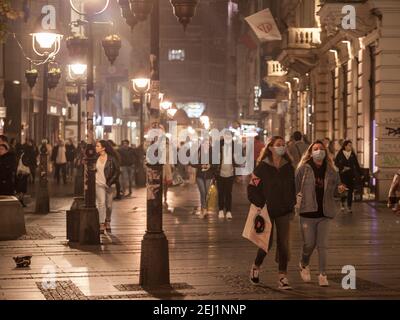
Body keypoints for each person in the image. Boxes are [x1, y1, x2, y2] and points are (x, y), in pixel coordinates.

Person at [296, 140, 347, 287]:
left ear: (325, 152)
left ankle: (322, 274)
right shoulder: (303, 169)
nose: (319, 151)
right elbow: (295, 189)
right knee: (309, 244)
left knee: (322, 245)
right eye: (316, 149)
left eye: (321, 148)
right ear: (311, 153)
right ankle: (304, 263)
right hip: (307, 213)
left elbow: (337, 192)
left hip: (325, 213)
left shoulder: (332, 170)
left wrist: (340, 190)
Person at [247, 136, 296, 290]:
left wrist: (292, 203)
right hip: (267, 210)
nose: (281, 147)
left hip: (284, 210)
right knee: (265, 244)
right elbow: (252, 188)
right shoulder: (262, 167)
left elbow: (293, 188)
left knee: (283, 244)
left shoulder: (288, 167)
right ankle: (256, 266)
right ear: (270, 148)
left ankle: (282, 276)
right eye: (278, 145)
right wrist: (260, 204)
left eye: (283, 145)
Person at [95, 140, 120, 234]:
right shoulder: (95, 158)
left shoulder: (111, 159)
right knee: (101, 203)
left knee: (109, 205)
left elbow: (117, 171)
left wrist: (109, 182)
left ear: (103, 148)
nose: (96, 148)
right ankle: (101, 224)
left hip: (109, 184)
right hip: (98, 184)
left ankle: (108, 221)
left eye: (98, 146)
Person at [190, 139, 216, 218]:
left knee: (207, 192)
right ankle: (204, 209)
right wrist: (200, 166)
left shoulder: (212, 152)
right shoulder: (198, 152)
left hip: (208, 176)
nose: (206, 145)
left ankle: (205, 208)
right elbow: (192, 162)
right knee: (203, 192)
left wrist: (210, 166)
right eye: (205, 143)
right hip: (200, 176)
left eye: (208, 144)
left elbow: (216, 164)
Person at [334, 140, 362, 213]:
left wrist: (360, 173)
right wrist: (342, 167)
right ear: (345, 146)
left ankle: (349, 207)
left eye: (351, 145)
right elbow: (336, 162)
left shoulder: (352, 154)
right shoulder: (340, 153)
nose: (350, 146)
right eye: (349, 145)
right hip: (343, 174)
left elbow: (356, 164)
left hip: (351, 174)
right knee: (343, 190)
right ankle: (342, 204)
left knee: (350, 190)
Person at [216, 132, 238, 220]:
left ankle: (228, 211)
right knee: (221, 192)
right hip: (220, 173)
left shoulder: (234, 147)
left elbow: (237, 160)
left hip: (230, 173)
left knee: (228, 193)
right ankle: (221, 210)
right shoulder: (218, 146)